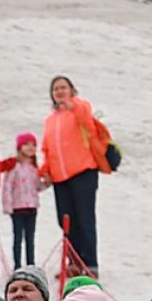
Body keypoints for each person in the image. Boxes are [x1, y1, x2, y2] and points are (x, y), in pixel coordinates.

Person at [40, 74, 107, 273]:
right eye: (56, 89)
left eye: (63, 88)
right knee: (66, 220)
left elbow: (87, 120)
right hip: (60, 177)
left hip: (83, 172)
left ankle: (90, 264)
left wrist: (73, 105)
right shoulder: (50, 120)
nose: (59, 92)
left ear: (71, 90)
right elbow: (47, 147)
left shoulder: (80, 107)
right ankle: (73, 262)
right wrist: (45, 170)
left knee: (84, 218)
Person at [0, 132, 45, 268]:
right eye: (27, 144)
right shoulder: (14, 166)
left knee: (30, 238)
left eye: (33, 145)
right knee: (18, 237)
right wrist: (7, 206)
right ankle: (17, 264)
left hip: (32, 207)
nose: (30, 148)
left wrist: (47, 183)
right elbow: (7, 186)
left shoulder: (34, 167)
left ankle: (31, 263)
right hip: (17, 208)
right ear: (20, 147)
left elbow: (37, 186)